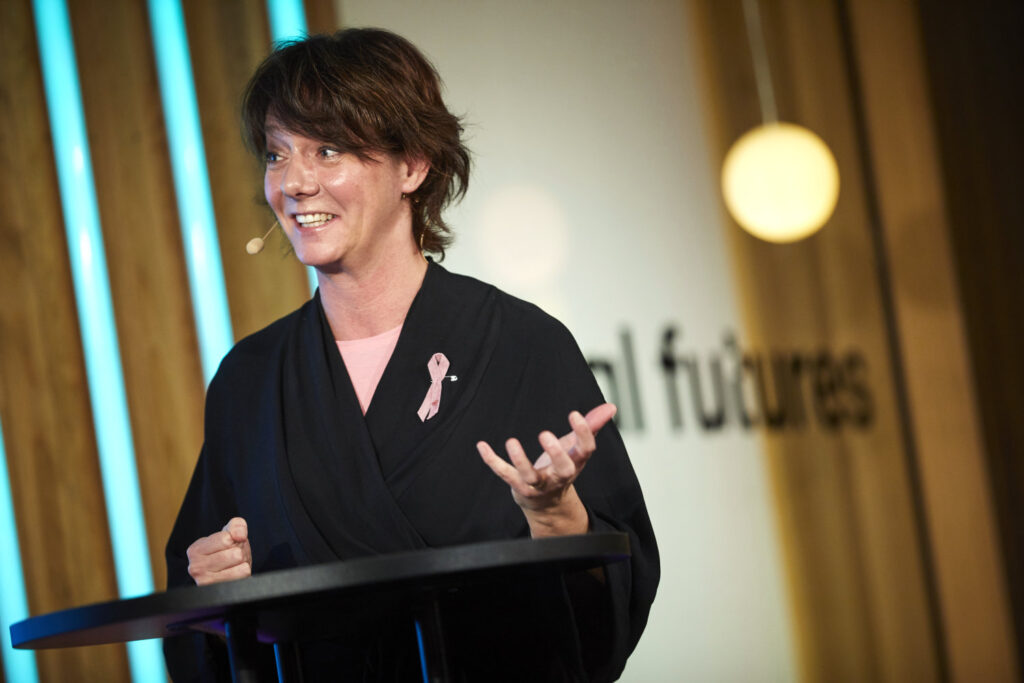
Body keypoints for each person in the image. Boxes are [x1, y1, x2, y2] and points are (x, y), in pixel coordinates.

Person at [164, 28, 658, 682]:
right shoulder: (250, 378)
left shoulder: (519, 342)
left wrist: (554, 516)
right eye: (278, 154)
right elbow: (205, 609)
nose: (295, 182)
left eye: (328, 149)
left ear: (414, 165)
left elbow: (612, 584)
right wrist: (212, 582)